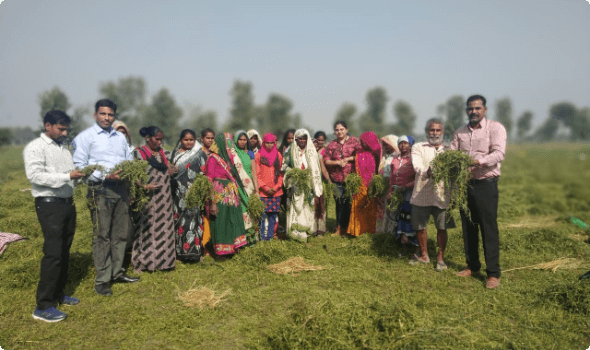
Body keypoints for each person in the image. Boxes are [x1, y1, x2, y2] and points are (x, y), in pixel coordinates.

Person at [73, 99, 139, 297]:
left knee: (120, 233)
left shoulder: (119, 138)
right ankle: (102, 280)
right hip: (99, 189)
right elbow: (80, 166)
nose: (107, 118)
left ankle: (117, 272)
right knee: (102, 235)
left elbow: (128, 159)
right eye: (103, 114)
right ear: (95, 115)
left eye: (110, 115)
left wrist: (128, 173)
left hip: (121, 189)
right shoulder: (85, 137)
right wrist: (104, 176)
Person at [24, 110, 85, 322]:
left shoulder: (63, 150)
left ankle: (58, 294)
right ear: (48, 125)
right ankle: (43, 306)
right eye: (61, 128)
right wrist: (68, 175)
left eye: (66, 128)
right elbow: (35, 176)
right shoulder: (35, 148)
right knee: (53, 253)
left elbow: (69, 176)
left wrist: (79, 176)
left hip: (67, 203)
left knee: (64, 251)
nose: (65, 132)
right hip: (49, 205)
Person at [451, 95, 507, 289]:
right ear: (466, 110)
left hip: (485, 183)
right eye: (470, 108)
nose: (473, 112)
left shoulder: (495, 128)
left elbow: (499, 153)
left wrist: (478, 161)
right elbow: (452, 154)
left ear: (484, 109)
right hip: (465, 185)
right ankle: (472, 266)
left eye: (477, 108)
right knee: (468, 226)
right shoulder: (460, 133)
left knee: (488, 227)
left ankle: (493, 273)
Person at [409, 119, 455, 270]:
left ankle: (440, 258)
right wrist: (428, 172)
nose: (434, 133)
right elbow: (417, 166)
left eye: (438, 130)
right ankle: (424, 255)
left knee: (442, 227)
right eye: (432, 130)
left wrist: (454, 194)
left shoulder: (449, 150)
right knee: (420, 226)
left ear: (442, 132)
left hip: (442, 194)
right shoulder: (418, 147)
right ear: (427, 131)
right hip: (421, 193)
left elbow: (454, 174)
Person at [132, 126, 177, 271]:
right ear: (147, 138)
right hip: (147, 198)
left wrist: (173, 169)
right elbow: (133, 176)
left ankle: (164, 263)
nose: (159, 142)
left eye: (160, 139)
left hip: (164, 197)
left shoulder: (164, 153)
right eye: (156, 139)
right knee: (147, 228)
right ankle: (145, 263)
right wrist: (145, 186)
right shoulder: (138, 153)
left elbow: (169, 170)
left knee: (164, 228)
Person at [204, 133, 247, 255]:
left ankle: (233, 247)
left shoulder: (225, 158)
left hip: (231, 196)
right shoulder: (213, 159)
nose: (230, 146)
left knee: (232, 219)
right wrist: (212, 202)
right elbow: (209, 180)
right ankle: (221, 250)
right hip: (220, 196)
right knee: (221, 221)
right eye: (228, 144)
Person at [170, 129, 208, 262]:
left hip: (193, 193)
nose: (188, 142)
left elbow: (204, 174)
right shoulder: (174, 153)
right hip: (177, 193)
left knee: (193, 221)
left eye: (191, 140)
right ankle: (179, 253)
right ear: (181, 140)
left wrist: (200, 190)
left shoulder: (199, 154)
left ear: (195, 140)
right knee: (178, 221)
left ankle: (194, 253)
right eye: (186, 140)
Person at [282, 129, 323, 242]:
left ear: (307, 139)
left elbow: (316, 168)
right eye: (300, 138)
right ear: (296, 139)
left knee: (307, 206)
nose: (302, 140)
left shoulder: (311, 151)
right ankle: (295, 232)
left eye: (304, 138)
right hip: (295, 185)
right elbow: (284, 166)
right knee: (295, 208)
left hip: (308, 184)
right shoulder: (290, 150)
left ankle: (306, 231)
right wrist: (294, 172)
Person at [323, 121, 360, 236]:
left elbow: (360, 156)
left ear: (346, 130)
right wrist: (337, 162)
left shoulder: (355, 142)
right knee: (339, 203)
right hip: (336, 179)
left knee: (349, 203)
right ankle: (339, 228)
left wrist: (348, 159)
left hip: (351, 179)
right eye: (337, 130)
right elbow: (326, 160)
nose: (339, 132)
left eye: (342, 129)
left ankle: (350, 228)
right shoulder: (331, 145)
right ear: (334, 131)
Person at [346, 131, 381, 237]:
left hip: (372, 185)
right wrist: (347, 159)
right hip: (360, 184)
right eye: (361, 141)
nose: (362, 143)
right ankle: (356, 231)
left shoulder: (378, 153)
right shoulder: (359, 152)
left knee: (370, 208)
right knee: (358, 206)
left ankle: (369, 231)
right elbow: (355, 159)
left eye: (364, 141)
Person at [389, 136, 418, 255]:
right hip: (397, 193)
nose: (403, 146)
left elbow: (418, 177)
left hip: (410, 193)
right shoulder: (395, 159)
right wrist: (390, 192)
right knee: (399, 218)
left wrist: (406, 186)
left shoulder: (414, 158)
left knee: (411, 218)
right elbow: (392, 177)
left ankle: (417, 248)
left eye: (405, 143)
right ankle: (404, 247)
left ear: (411, 145)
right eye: (400, 143)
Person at [232, 130, 260, 245]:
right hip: (238, 187)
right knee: (241, 213)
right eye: (240, 139)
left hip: (250, 188)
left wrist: (257, 190)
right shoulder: (233, 153)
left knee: (251, 212)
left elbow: (253, 172)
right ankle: (241, 241)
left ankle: (251, 239)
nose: (242, 142)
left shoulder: (250, 153)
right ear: (236, 140)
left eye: (244, 140)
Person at [256, 133, 284, 241]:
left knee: (273, 216)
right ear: (263, 143)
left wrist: (276, 187)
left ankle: (270, 237)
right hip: (263, 192)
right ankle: (262, 237)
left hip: (276, 192)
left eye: (271, 143)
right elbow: (257, 175)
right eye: (267, 143)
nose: (269, 145)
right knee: (262, 216)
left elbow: (281, 174)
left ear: (275, 143)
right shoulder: (258, 155)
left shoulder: (278, 156)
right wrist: (266, 188)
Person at [376, 135, 399, 234]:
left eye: (388, 144)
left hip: (393, 186)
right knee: (384, 208)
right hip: (384, 185)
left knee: (392, 209)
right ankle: (383, 231)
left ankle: (391, 231)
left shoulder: (397, 156)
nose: (386, 146)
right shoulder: (385, 156)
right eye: (385, 144)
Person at [198, 128, 215, 252]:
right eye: (207, 138)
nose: (210, 140)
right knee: (203, 215)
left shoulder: (215, 153)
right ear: (202, 139)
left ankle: (211, 244)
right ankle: (203, 246)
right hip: (202, 186)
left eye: (212, 138)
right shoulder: (199, 153)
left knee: (212, 214)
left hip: (214, 188)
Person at [312, 131, 332, 235]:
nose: (320, 142)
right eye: (318, 140)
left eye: (322, 140)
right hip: (311, 183)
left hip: (321, 182)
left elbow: (324, 169)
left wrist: (328, 180)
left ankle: (321, 227)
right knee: (313, 205)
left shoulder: (324, 152)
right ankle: (312, 227)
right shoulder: (308, 153)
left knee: (322, 204)